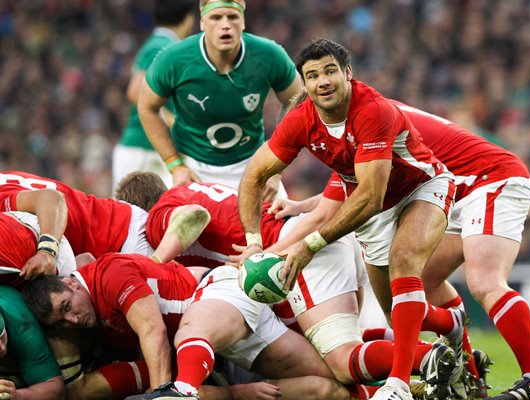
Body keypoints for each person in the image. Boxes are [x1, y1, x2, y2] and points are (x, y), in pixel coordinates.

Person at [267, 99, 530, 400]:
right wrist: (298, 205)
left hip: (488, 178)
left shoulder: (364, 124)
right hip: (454, 188)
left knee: (484, 282)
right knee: (424, 283)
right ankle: (467, 372)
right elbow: (343, 191)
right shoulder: (360, 120)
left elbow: (329, 212)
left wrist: (266, 254)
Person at [236, 38, 466, 400]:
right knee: (396, 311)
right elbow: (253, 176)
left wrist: (309, 244)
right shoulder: (300, 121)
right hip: (371, 207)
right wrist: (253, 241)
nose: (322, 81)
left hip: (421, 186)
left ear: (347, 73)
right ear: (305, 84)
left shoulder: (371, 110)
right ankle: (449, 322)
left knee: (403, 262)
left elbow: (372, 195)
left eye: (330, 71)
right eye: (312, 76)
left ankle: (399, 386)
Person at [115, 172, 465, 399]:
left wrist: (155, 262)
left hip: (295, 256)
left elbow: (192, 216)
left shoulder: (160, 211)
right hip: (307, 247)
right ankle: (437, 350)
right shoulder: (195, 188)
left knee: (340, 361)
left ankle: (425, 358)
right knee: (335, 355)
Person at [22, 253, 350, 400]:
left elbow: (154, 331)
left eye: (67, 307)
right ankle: (390, 379)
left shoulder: (108, 276)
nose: (73, 320)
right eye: (61, 322)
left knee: (185, 346)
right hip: (216, 345)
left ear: (72, 284)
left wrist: (162, 392)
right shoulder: (89, 309)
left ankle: (175, 396)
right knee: (332, 382)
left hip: (216, 297)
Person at [137, 0, 303, 200]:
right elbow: (146, 107)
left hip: (253, 164)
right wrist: (174, 165)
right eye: (216, 17)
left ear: (242, 22)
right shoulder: (172, 59)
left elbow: (298, 102)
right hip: (192, 168)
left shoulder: (270, 55)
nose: (225, 25)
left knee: (285, 229)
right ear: (202, 23)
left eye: (232, 17)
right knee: (168, 228)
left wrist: (275, 168)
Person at [0, 170, 210, 262]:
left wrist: (47, 251)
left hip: (119, 241)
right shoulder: (6, 177)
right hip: (118, 223)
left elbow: (50, 199)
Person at [112, 0, 196, 192]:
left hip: (146, 150)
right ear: (188, 19)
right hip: (145, 149)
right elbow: (135, 91)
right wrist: (170, 120)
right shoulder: (163, 47)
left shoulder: (156, 43)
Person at [0, 285, 64, 400]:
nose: (0, 348)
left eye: (0, 336)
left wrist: (16, 396)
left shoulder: (24, 327)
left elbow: (57, 390)